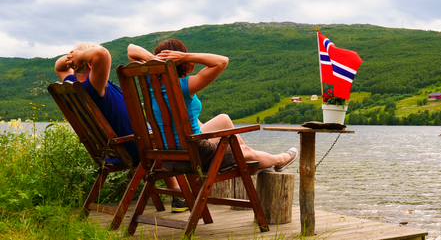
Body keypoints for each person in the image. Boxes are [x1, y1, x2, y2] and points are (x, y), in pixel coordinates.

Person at [54, 42, 189, 213]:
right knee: (168, 136)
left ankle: (177, 193)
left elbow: (59, 67)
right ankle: (180, 194)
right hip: (133, 148)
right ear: (90, 64)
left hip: (113, 150)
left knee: (156, 137)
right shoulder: (93, 87)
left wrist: (74, 57)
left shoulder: (73, 87)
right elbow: (102, 54)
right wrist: (80, 56)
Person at [127, 40, 297, 172]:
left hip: (167, 155)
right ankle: (280, 159)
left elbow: (131, 49)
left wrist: (155, 63)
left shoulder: (149, 83)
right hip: (194, 153)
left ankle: (246, 150)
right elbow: (222, 61)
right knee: (248, 156)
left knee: (223, 119)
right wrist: (184, 57)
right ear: (182, 63)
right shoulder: (185, 86)